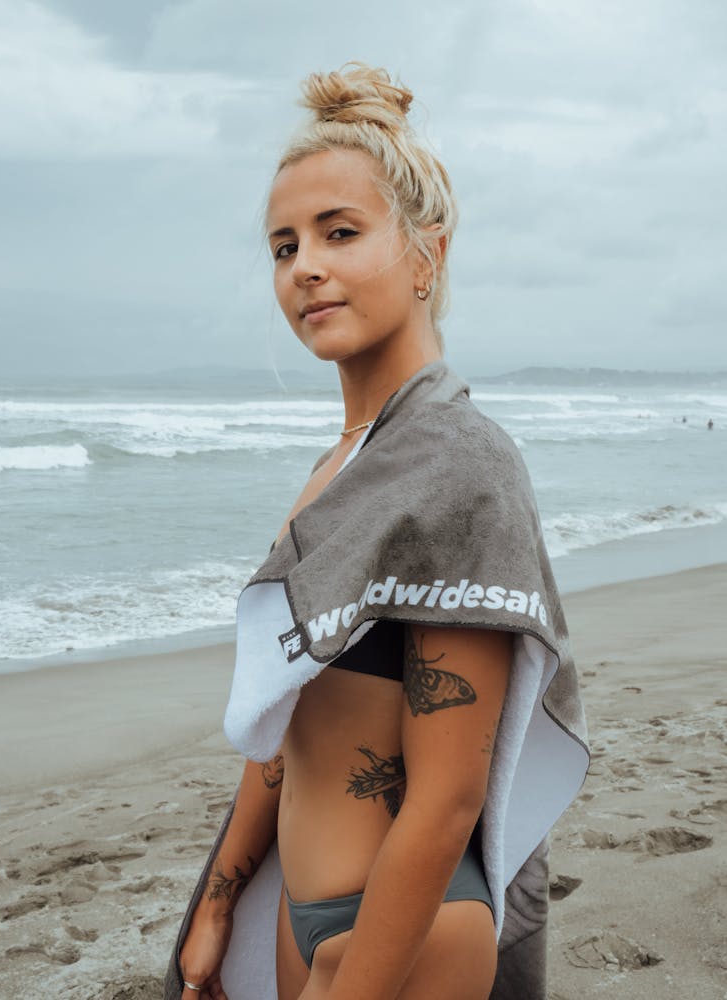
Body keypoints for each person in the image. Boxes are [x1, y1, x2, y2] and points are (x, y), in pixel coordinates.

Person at [167, 63, 589, 1000]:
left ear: (425, 255)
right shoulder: (335, 474)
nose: (305, 264)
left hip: (409, 927)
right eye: (284, 246)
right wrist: (220, 901)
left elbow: (447, 800)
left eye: (340, 232)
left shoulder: (460, 465)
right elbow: (285, 719)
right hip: (301, 917)